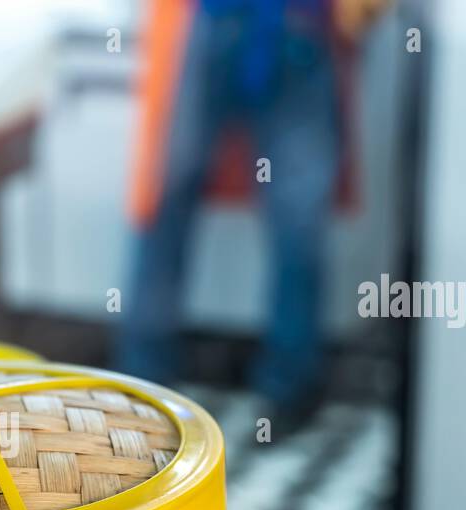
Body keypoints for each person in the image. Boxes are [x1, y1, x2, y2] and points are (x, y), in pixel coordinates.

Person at [117, 0, 389, 422]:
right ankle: (140, 384)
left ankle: (290, 391)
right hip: (206, 23)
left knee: (298, 221)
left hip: (296, 31)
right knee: (164, 198)